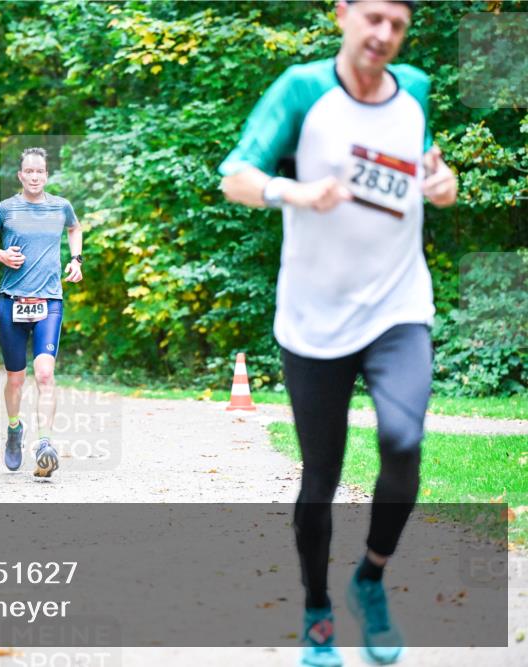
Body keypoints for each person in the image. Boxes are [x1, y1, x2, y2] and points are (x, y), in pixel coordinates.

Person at [218, 1, 457, 665]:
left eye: (397, 25)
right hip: (314, 318)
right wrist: (293, 192)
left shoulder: (416, 90)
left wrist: (442, 183)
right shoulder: (302, 90)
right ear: (343, 14)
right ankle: (318, 610)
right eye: (373, 17)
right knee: (320, 476)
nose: (383, 34)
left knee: (403, 440)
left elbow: (428, 171)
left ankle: (370, 578)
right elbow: (236, 176)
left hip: (398, 306)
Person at [0, 147, 83, 478]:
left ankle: (45, 444)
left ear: (46, 174)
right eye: (28, 171)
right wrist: (1, 255)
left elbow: (75, 228)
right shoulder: (6, 209)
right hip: (11, 302)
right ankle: (14, 429)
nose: (34, 176)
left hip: (50, 302)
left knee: (45, 373)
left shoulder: (61, 206)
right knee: (16, 378)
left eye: (39, 171)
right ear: (20, 175)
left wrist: (76, 260)